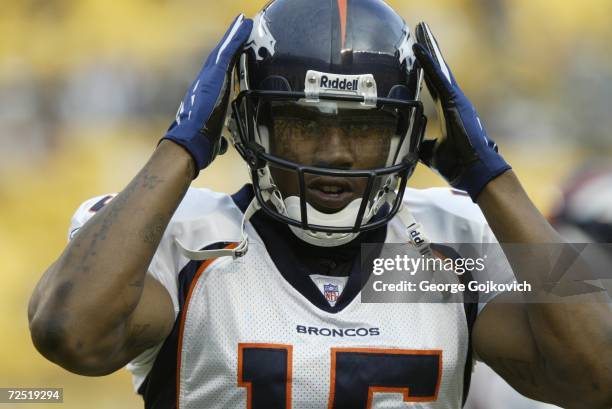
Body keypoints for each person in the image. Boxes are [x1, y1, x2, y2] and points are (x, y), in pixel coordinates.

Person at [28, 1, 611, 408]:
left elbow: (598, 373)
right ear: (252, 124)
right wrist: (180, 148)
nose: (334, 153)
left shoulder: (441, 249)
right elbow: (69, 332)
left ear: (405, 135)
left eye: (363, 127)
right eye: (304, 123)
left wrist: (493, 179)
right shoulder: (188, 238)